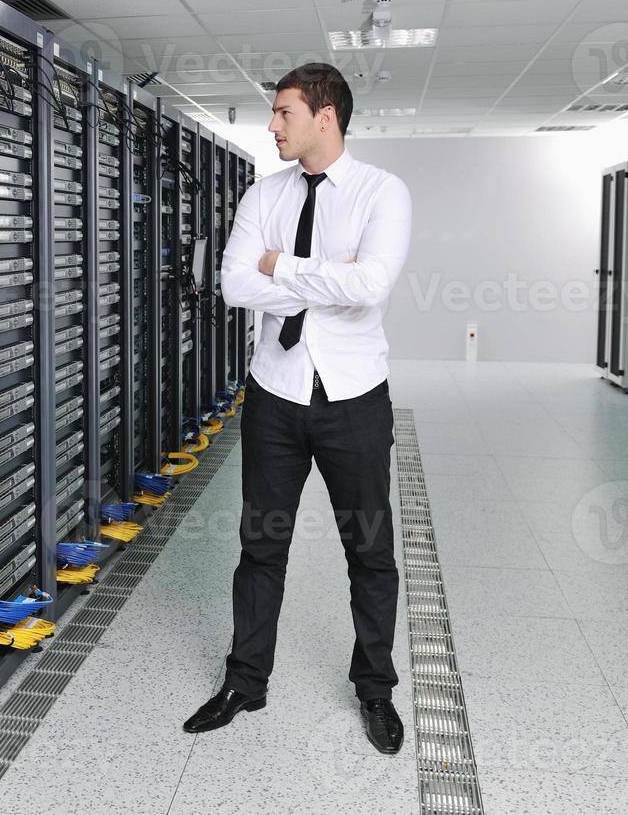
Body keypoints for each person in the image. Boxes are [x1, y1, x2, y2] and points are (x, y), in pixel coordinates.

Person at [182, 62, 413, 755]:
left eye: (283, 112)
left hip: (355, 403)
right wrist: (320, 280)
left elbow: (369, 286)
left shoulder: (382, 193)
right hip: (275, 400)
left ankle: (375, 687)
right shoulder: (265, 194)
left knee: (370, 551)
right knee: (261, 548)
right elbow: (230, 285)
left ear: (325, 117)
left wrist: (277, 268)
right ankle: (245, 681)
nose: (273, 125)